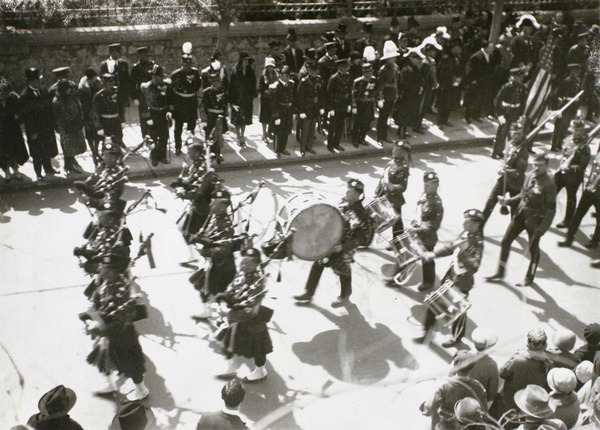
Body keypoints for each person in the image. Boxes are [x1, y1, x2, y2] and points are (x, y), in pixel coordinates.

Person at [294, 179, 374, 308]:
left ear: (357, 195)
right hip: (331, 241)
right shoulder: (344, 204)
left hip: (343, 247)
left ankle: (345, 296)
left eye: (350, 191)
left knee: (343, 269)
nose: (347, 193)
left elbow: (361, 238)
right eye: (348, 190)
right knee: (318, 263)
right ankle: (308, 293)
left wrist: (343, 247)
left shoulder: (360, 214)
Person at [81, 251, 149, 401]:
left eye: (104, 267)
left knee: (131, 366)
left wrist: (100, 328)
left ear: (112, 271)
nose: (100, 269)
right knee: (105, 359)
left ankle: (142, 391)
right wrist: (91, 317)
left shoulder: (124, 290)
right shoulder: (106, 284)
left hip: (122, 336)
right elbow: (95, 300)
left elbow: (122, 321)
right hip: (107, 333)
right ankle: (110, 384)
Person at [415, 208, 484, 347]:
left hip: (462, 281)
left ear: (476, 225)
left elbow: (475, 267)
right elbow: (451, 247)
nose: (464, 223)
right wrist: (433, 254)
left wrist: (464, 252)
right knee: (434, 302)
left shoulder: (477, 243)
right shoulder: (465, 234)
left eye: (467, 222)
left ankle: (456, 338)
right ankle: (425, 332)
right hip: (451, 276)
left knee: (459, 313)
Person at [485, 152, 557, 287]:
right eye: (535, 164)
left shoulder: (549, 184)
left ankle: (529, 277)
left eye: (540, 165)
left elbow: (551, 209)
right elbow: (522, 195)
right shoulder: (530, 176)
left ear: (547, 166)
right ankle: (500, 272)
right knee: (505, 241)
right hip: (521, 214)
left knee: (533, 250)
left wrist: (542, 229)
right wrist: (508, 201)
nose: (536, 168)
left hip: (535, 220)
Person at [215, 248, 273, 382]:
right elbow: (232, 286)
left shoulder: (259, 283)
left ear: (255, 265)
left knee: (258, 348)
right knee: (231, 342)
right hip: (237, 315)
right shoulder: (242, 273)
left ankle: (260, 371)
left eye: (247, 262)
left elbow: (251, 310)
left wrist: (228, 313)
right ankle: (232, 367)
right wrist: (226, 297)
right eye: (243, 260)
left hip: (252, 319)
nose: (242, 264)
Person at [189, 189, 236, 319]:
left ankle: (224, 317)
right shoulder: (215, 217)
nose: (210, 205)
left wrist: (203, 250)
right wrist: (200, 238)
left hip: (221, 265)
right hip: (212, 262)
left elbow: (223, 250)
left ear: (222, 207)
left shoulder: (226, 226)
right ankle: (208, 310)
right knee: (204, 288)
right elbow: (209, 235)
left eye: (213, 204)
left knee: (218, 293)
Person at [489, 328, 552, 419]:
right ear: (545, 345)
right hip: (529, 404)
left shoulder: (518, 359)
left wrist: (514, 355)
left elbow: (503, 373)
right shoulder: (548, 363)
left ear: (528, 343)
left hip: (507, 400)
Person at [419, 350, 488, 430]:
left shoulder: (444, 385)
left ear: (455, 365)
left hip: (446, 424)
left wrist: (425, 410)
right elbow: (484, 412)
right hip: (466, 426)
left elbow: (431, 406)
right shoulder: (478, 387)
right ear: (471, 367)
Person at [482, 121, 529, 225]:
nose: (516, 136)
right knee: (490, 203)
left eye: (519, 134)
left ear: (523, 134)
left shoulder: (523, 152)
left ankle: (512, 231)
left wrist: (506, 171)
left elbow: (519, 172)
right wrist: (502, 167)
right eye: (515, 133)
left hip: (515, 184)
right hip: (504, 179)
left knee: (515, 212)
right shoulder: (510, 144)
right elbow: (505, 160)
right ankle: (479, 228)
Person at [173, 143, 220, 241]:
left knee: (195, 234)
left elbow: (198, 192)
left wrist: (183, 194)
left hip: (202, 207)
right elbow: (192, 181)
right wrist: (182, 183)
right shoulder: (195, 165)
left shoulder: (205, 170)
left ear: (197, 152)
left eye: (189, 151)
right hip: (195, 204)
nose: (187, 153)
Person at [558, 139, 600, 249]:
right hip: (590, 189)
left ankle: (595, 240)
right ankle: (569, 238)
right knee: (578, 214)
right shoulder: (599, 154)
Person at [19, 67, 58, 181]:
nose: (38, 83)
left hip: (45, 127)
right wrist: (33, 132)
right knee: (37, 152)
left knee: (46, 148)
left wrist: (51, 125)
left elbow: (48, 108)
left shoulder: (43, 90)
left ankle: (48, 168)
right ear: (29, 82)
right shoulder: (25, 96)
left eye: (39, 80)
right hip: (35, 129)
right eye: (35, 81)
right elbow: (27, 117)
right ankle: (38, 172)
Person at [554, 120, 592, 230]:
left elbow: (582, 166)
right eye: (576, 130)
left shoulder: (585, 147)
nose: (578, 133)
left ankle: (567, 220)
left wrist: (570, 168)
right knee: (551, 193)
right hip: (561, 173)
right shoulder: (568, 140)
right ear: (571, 129)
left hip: (573, 178)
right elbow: (564, 154)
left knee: (571, 199)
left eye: (580, 130)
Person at [411, 170, 444, 292]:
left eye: (428, 185)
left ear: (435, 185)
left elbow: (432, 226)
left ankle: (428, 282)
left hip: (428, 237)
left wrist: (417, 229)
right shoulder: (427, 197)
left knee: (427, 259)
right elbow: (421, 215)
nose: (425, 187)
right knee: (423, 257)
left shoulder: (436, 203)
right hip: (420, 233)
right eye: (424, 184)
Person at [375, 141, 410, 244]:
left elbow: (403, 186)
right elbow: (382, 179)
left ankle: (398, 242)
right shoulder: (390, 163)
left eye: (398, 150)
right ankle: (398, 240)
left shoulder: (403, 168)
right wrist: (377, 192)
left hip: (395, 198)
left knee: (396, 222)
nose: (394, 150)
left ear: (403, 153)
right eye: (394, 148)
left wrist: (393, 187)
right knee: (390, 219)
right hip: (385, 195)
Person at [140, 64, 173, 167]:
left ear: (161, 77)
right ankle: (154, 157)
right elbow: (143, 104)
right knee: (153, 137)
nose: (155, 78)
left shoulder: (166, 86)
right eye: (153, 76)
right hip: (153, 114)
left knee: (164, 136)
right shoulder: (147, 87)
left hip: (163, 113)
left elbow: (171, 99)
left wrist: (170, 111)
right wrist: (148, 117)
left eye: (157, 76)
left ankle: (162, 156)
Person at [52, 79, 87, 175]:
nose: (70, 90)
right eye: (68, 89)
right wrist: (73, 120)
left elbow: (78, 106)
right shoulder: (57, 101)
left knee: (74, 145)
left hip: (74, 124)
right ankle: (68, 165)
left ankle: (71, 163)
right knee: (68, 147)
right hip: (65, 126)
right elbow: (62, 116)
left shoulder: (71, 96)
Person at [492, 66, 527, 159]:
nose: (521, 79)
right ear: (513, 77)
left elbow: (523, 102)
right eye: (519, 77)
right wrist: (499, 115)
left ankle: (507, 152)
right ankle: (496, 152)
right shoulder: (507, 87)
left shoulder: (522, 88)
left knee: (512, 133)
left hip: (515, 113)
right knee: (501, 133)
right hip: (506, 112)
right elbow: (496, 101)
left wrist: (521, 115)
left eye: (522, 77)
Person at [170, 52, 202, 156]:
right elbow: (172, 89)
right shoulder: (176, 74)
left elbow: (197, 85)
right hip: (180, 101)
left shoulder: (195, 73)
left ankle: (190, 146)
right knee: (178, 126)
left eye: (189, 64)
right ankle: (178, 147)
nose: (187, 66)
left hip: (191, 101)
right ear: (181, 63)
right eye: (185, 64)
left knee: (191, 126)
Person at [550, 64, 582, 152]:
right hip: (565, 106)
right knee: (559, 127)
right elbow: (557, 94)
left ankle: (560, 144)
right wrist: (557, 108)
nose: (577, 73)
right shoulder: (567, 81)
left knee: (565, 127)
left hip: (572, 107)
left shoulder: (577, 82)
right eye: (576, 72)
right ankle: (554, 145)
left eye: (578, 72)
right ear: (572, 72)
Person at [229, 52, 257, 148]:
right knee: (238, 119)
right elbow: (232, 86)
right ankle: (238, 137)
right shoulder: (235, 71)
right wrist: (231, 101)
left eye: (247, 61)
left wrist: (253, 93)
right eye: (244, 60)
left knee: (244, 119)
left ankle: (242, 136)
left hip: (247, 98)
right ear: (241, 61)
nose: (245, 62)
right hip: (237, 98)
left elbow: (253, 83)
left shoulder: (250, 71)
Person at [395, 49, 424, 139]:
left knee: (409, 114)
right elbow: (404, 83)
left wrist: (421, 85)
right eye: (416, 58)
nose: (418, 61)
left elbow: (420, 79)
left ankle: (402, 131)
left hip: (413, 95)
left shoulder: (416, 68)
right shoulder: (406, 69)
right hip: (406, 95)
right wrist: (417, 87)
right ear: (411, 58)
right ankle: (402, 134)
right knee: (404, 114)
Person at [295, 59, 322, 156]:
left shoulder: (318, 80)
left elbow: (320, 94)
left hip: (314, 108)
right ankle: (302, 148)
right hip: (306, 108)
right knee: (305, 130)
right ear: (309, 70)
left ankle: (309, 147)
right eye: (312, 70)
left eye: (316, 70)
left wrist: (321, 107)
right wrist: (301, 111)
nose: (315, 73)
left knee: (312, 130)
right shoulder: (304, 81)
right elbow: (300, 98)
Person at [468, 327, 500, 405]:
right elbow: (491, 396)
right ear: (488, 347)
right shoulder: (492, 365)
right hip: (476, 402)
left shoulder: (461, 355)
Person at [376, 40, 400, 144]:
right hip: (385, 96)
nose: (394, 58)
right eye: (392, 57)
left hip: (392, 96)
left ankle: (384, 135)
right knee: (382, 117)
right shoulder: (383, 69)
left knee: (387, 117)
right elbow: (380, 86)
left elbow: (397, 81)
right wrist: (380, 98)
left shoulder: (395, 67)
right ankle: (379, 137)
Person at [78, 68, 103, 166]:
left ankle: (96, 152)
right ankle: (93, 152)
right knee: (89, 135)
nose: (94, 80)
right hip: (87, 114)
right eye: (93, 78)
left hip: (96, 113)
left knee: (97, 134)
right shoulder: (83, 87)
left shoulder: (97, 83)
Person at [326, 58, 352, 153]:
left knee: (340, 125)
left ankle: (336, 143)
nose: (346, 69)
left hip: (343, 104)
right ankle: (330, 145)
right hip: (335, 104)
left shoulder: (348, 76)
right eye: (344, 67)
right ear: (340, 67)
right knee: (332, 126)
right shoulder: (334, 78)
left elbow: (349, 91)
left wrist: (349, 104)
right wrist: (330, 108)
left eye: (347, 67)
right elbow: (329, 94)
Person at [269, 65, 295, 158]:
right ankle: (277, 150)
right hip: (280, 111)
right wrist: (276, 116)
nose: (288, 77)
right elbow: (273, 103)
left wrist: (293, 112)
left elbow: (292, 99)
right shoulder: (276, 86)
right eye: (286, 75)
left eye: (289, 76)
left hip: (288, 111)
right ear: (281, 75)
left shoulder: (290, 85)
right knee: (278, 131)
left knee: (286, 130)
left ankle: (283, 148)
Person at [99, 43, 130, 120]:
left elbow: (126, 80)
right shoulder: (105, 64)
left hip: (121, 94)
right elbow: (102, 80)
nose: (119, 54)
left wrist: (127, 97)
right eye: (117, 52)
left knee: (121, 114)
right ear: (112, 52)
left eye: (119, 52)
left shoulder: (123, 64)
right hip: (110, 94)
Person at [93, 74, 124, 148]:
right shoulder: (99, 96)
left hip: (116, 121)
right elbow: (95, 113)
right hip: (105, 122)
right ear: (104, 84)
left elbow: (121, 107)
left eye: (112, 83)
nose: (111, 85)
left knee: (118, 142)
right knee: (106, 144)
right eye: (109, 83)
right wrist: (98, 127)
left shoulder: (116, 93)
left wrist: (122, 120)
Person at [203, 73, 228, 164]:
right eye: (217, 81)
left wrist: (225, 114)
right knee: (210, 134)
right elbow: (203, 107)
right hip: (211, 115)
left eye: (220, 81)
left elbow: (224, 103)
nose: (220, 83)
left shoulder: (222, 90)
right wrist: (204, 120)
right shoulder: (207, 92)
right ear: (213, 83)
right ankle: (209, 153)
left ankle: (218, 153)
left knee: (219, 134)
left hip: (220, 115)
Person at [130, 46, 155, 138]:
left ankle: (152, 133)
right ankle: (145, 135)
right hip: (142, 95)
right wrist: (135, 97)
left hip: (152, 94)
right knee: (143, 115)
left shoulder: (152, 65)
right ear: (140, 55)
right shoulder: (136, 67)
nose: (146, 56)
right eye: (144, 54)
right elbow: (132, 84)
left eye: (147, 54)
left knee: (152, 114)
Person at [351, 62, 377, 147]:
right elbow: (353, 95)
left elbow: (377, 91)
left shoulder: (374, 80)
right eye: (367, 72)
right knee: (358, 122)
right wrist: (354, 106)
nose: (369, 73)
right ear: (364, 73)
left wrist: (378, 101)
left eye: (370, 71)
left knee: (367, 122)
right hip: (360, 104)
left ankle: (362, 138)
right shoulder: (357, 82)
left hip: (369, 103)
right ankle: (355, 140)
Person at [258, 58, 278, 143]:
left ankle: (270, 132)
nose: (270, 68)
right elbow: (260, 87)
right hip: (265, 99)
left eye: (271, 66)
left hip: (273, 99)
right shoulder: (263, 76)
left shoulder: (276, 75)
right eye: (268, 66)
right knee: (264, 117)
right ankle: (264, 133)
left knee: (272, 116)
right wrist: (264, 91)